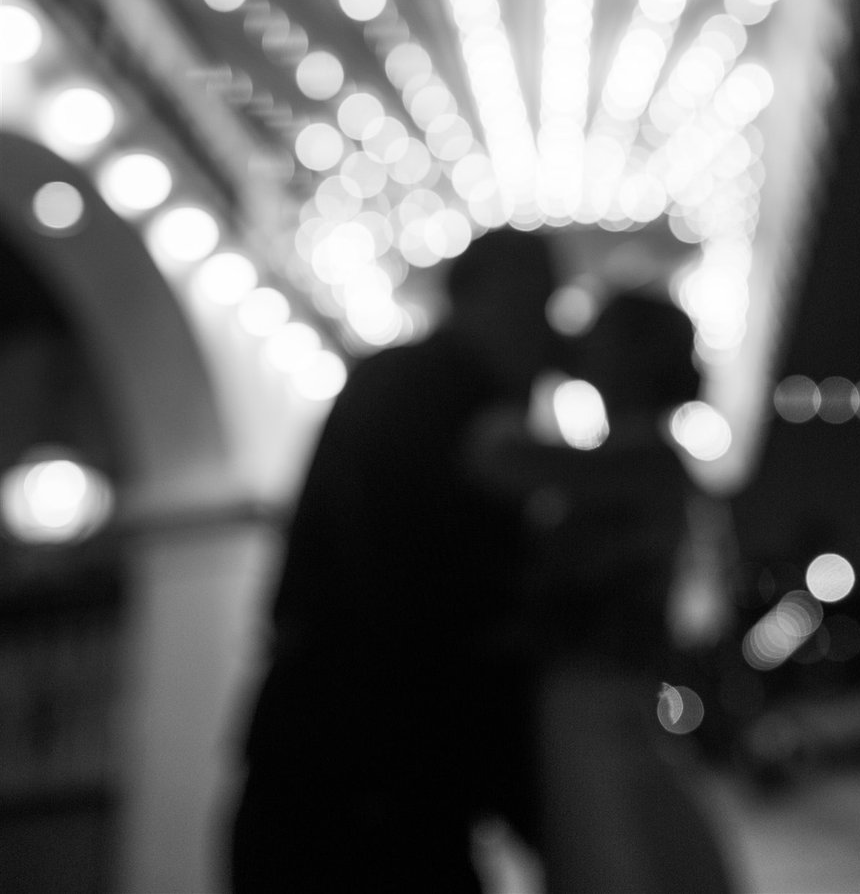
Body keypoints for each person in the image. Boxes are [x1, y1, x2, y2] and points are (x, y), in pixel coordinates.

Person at [228, 225, 560, 893]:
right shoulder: (446, 395)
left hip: (329, 765)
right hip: (368, 787)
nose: (548, 335)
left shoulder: (397, 383)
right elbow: (439, 604)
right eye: (537, 304)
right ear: (490, 297)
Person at [467, 289, 740, 894]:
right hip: (608, 705)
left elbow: (495, 454)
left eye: (606, 337)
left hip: (597, 706)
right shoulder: (636, 460)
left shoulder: (642, 461)